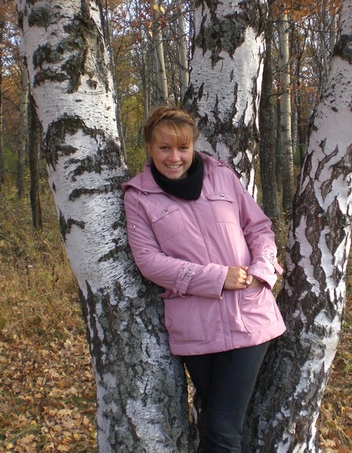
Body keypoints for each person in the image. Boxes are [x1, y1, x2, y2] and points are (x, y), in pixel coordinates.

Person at [122, 106, 286, 452]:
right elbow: (149, 262)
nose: (174, 157)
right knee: (220, 422)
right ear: (150, 148)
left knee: (222, 428)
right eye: (164, 148)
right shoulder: (138, 197)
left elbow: (259, 228)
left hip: (248, 316)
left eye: (182, 147)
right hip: (195, 326)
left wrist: (261, 271)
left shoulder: (222, 177)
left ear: (193, 146)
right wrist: (216, 277)